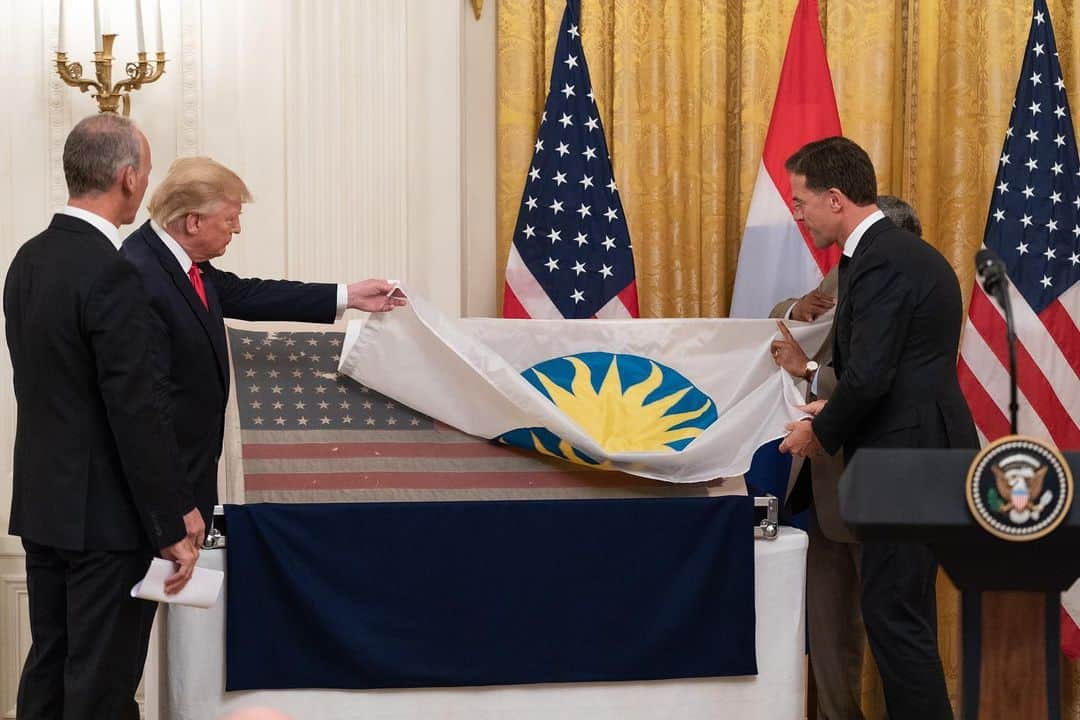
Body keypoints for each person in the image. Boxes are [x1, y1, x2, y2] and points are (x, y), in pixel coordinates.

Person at [3, 114, 198, 720]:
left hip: (44, 508)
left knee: (51, 668)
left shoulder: (27, 259)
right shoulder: (112, 271)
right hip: (105, 522)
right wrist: (171, 520)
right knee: (102, 687)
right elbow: (134, 409)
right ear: (127, 177)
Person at [777, 136, 977, 719]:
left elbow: (868, 377)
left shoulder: (882, 258)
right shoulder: (886, 256)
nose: (797, 212)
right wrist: (827, 408)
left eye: (802, 200)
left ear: (835, 199)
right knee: (900, 618)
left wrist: (819, 431)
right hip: (913, 457)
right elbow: (889, 374)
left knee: (896, 620)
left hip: (906, 464)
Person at [121, 156, 405, 533]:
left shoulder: (181, 262)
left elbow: (248, 294)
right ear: (193, 221)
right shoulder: (139, 274)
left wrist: (349, 295)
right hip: (160, 495)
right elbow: (146, 406)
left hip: (189, 476)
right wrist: (175, 505)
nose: (236, 229)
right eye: (230, 219)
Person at [769, 194, 922, 720]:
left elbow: (874, 381)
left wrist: (808, 368)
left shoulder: (911, 285)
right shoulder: (847, 275)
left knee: (893, 629)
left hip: (879, 481)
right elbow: (780, 320)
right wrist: (797, 310)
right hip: (823, 483)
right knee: (829, 632)